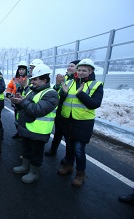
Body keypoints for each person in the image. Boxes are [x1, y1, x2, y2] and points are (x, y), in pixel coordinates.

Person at [57, 58, 104, 187]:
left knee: (78, 149)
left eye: (85, 70)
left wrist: (81, 94)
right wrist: (62, 92)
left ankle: (80, 174)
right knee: (69, 146)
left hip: (83, 122)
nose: (81, 72)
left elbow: (95, 104)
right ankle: (68, 166)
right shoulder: (70, 82)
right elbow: (61, 100)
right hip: (68, 120)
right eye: (80, 69)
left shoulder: (96, 85)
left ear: (91, 71)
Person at [11, 64, 59, 183]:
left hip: (39, 131)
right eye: (32, 79)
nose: (32, 81)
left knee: (36, 153)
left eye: (35, 79)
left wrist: (22, 102)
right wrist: (17, 101)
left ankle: (34, 172)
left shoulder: (51, 93)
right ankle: (25, 166)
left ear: (44, 80)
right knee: (26, 149)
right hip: (27, 128)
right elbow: (25, 106)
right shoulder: (33, 91)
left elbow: (38, 110)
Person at [44, 60, 81, 158]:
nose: (69, 67)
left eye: (72, 66)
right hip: (60, 111)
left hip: (71, 114)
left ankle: (68, 160)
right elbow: (56, 94)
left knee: (68, 138)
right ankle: (53, 150)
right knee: (57, 133)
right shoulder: (66, 79)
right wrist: (57, 85)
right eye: (68, 65)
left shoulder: (79, 82)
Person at [5, 61, 29, 140]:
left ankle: (24, 135)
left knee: (23, 119)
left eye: (23, 69)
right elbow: (9, 87)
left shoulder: (29, 79)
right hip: (16, 102)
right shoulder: (14, 79)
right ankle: (18, 132)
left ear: (26, 70)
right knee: (16, 118)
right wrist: (8, 93)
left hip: (24, 102)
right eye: (20, 69)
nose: (21, 71)